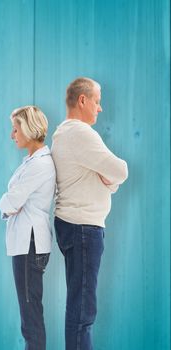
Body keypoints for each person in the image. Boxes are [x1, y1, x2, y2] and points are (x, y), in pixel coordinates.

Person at [51, 77, 128, 350]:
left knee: (79, 308)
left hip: (75, 227)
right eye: (97, 100)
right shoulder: (81, 134)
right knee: (83, 313)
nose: (100, 107)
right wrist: (107, 177)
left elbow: (114, 178)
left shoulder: (64, 133)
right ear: (82, 100)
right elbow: (121, 171)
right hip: (84, 229)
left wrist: (107, 177)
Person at [0, 106, 56, 350]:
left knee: (30, 318)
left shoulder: (39, 165)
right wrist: (9, 202)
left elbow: (10, 201)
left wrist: (6, 202)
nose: (12, 134)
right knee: (30, 314)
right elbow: (11, 203)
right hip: (27, 244)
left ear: (29, 129)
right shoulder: (33, 161)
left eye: (15, 128)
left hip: (29, 244)